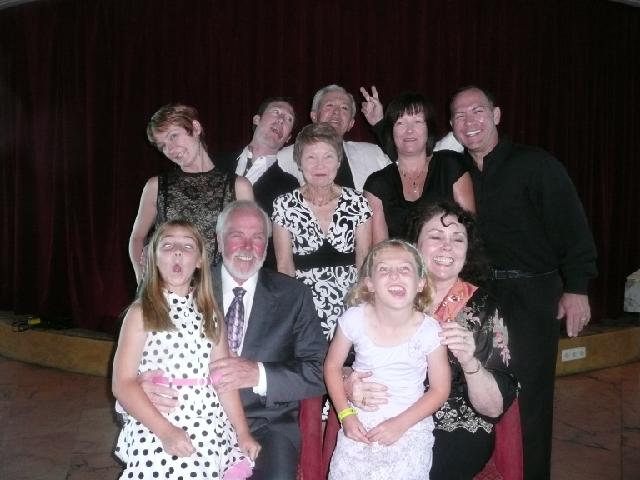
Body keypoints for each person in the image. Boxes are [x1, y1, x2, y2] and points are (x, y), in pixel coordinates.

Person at [449, 85, 597, 479]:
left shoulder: (536, 165)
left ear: (496, 115)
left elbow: (572, 228)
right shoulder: (456, 172)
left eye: (477, 111)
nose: (469, 122)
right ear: (452, 126)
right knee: (480, 389)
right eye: (460, 115)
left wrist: (577, 288)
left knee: (529, 397)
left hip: (533, 294)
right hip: (479, 295)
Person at [137, 201, 327, 479]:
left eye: (258, 237)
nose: (248, 246)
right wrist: (142, 382)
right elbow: (138, 358)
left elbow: (318, 370)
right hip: (189, 418)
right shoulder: (181, 287)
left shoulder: (294, 295)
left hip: (266, 424)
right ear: (219, 239)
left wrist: (258, 374)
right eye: (237, 235)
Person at [339, 201, 519, 479]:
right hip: (382, 411)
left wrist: (470, 363)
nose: (447, 247)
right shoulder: (386, 297)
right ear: (415, 246)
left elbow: (494, 408)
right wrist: (349, 383)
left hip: (455, 427)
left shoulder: (486, 307)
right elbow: (340, 364)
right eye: (436, 237)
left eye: (457, 239)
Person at [112, 220, 260, 479]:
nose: (178, 252)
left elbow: (224, 380)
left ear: (200, 261)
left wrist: (243, 432)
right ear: (153, 258)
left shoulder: (211, 315)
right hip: (158, 420)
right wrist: (166, 431)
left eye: (187, 246)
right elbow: (122, 384)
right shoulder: (141, 313)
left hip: (208, 423)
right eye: (168, 245)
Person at [324, 239, 451, 479]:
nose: (395, 275)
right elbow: (332, 366)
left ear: (421, 283)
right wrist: (345, 415)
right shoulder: (353, 319)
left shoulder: (429, 331)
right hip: (359, 421)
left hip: (409, 424)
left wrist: (400, 424)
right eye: (384, 269)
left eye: (405, 269)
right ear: (369, 284)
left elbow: (440, 389)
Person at [129, 103, 253, 282]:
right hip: (168, 288)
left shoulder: (239, 186)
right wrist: (143, 281)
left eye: (173, 136)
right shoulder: (156, 186)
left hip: (217, 289)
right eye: (163, 145)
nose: (170, 150)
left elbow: (249, 243)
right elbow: (137, 237)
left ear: (195, 128)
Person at [272, 122, 372, 340]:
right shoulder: (284, 205)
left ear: (339, 161)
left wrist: (363, 306)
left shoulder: (358, 202)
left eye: (328, 156)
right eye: (311, 157)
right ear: (299, 162)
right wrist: (292, 312)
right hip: (304, 306)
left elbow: (364, 259)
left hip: (351, 304)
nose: (320, 165)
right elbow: (284, 266)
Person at [360, 90, 475, 243]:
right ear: (391, 132)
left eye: (418, 121)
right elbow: (381, 250)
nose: (409, 130)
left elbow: (469, 231)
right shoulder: (377, 184)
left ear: (429, 129)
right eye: (400, 123)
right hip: (399, 258)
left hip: (450, 255)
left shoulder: (450, 165)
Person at [215, 97, 300, 268]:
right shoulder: (215, 163)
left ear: (288, 138)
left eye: (288, 119)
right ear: (256, 119)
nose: (281, 120)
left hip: (256, 271)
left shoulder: (290, 185)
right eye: (276, 112)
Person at [277, 84, 391, 191]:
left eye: (344, 108)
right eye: (329, 105)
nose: (336, 112)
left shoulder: (373, 154)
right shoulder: (285, 157)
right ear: (314, 116)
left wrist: (379, 124)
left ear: (351, 123)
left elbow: (400, 174)